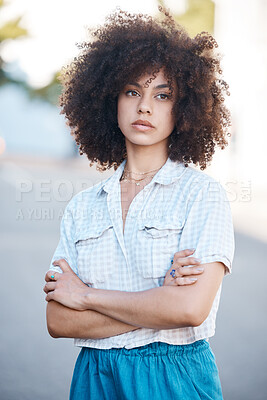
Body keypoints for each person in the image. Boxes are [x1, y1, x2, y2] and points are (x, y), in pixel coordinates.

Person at [43, 7, 234, 399]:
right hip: (95, 378)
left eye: (162, 95)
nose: (144, 106)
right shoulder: (82, 208)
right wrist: (156, 303)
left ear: (182, 112)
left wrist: (86, 297)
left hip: (175, 377)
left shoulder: (202, 195)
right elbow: (58, 319)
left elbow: (189, 310)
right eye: (132, 91)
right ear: (109, 100)